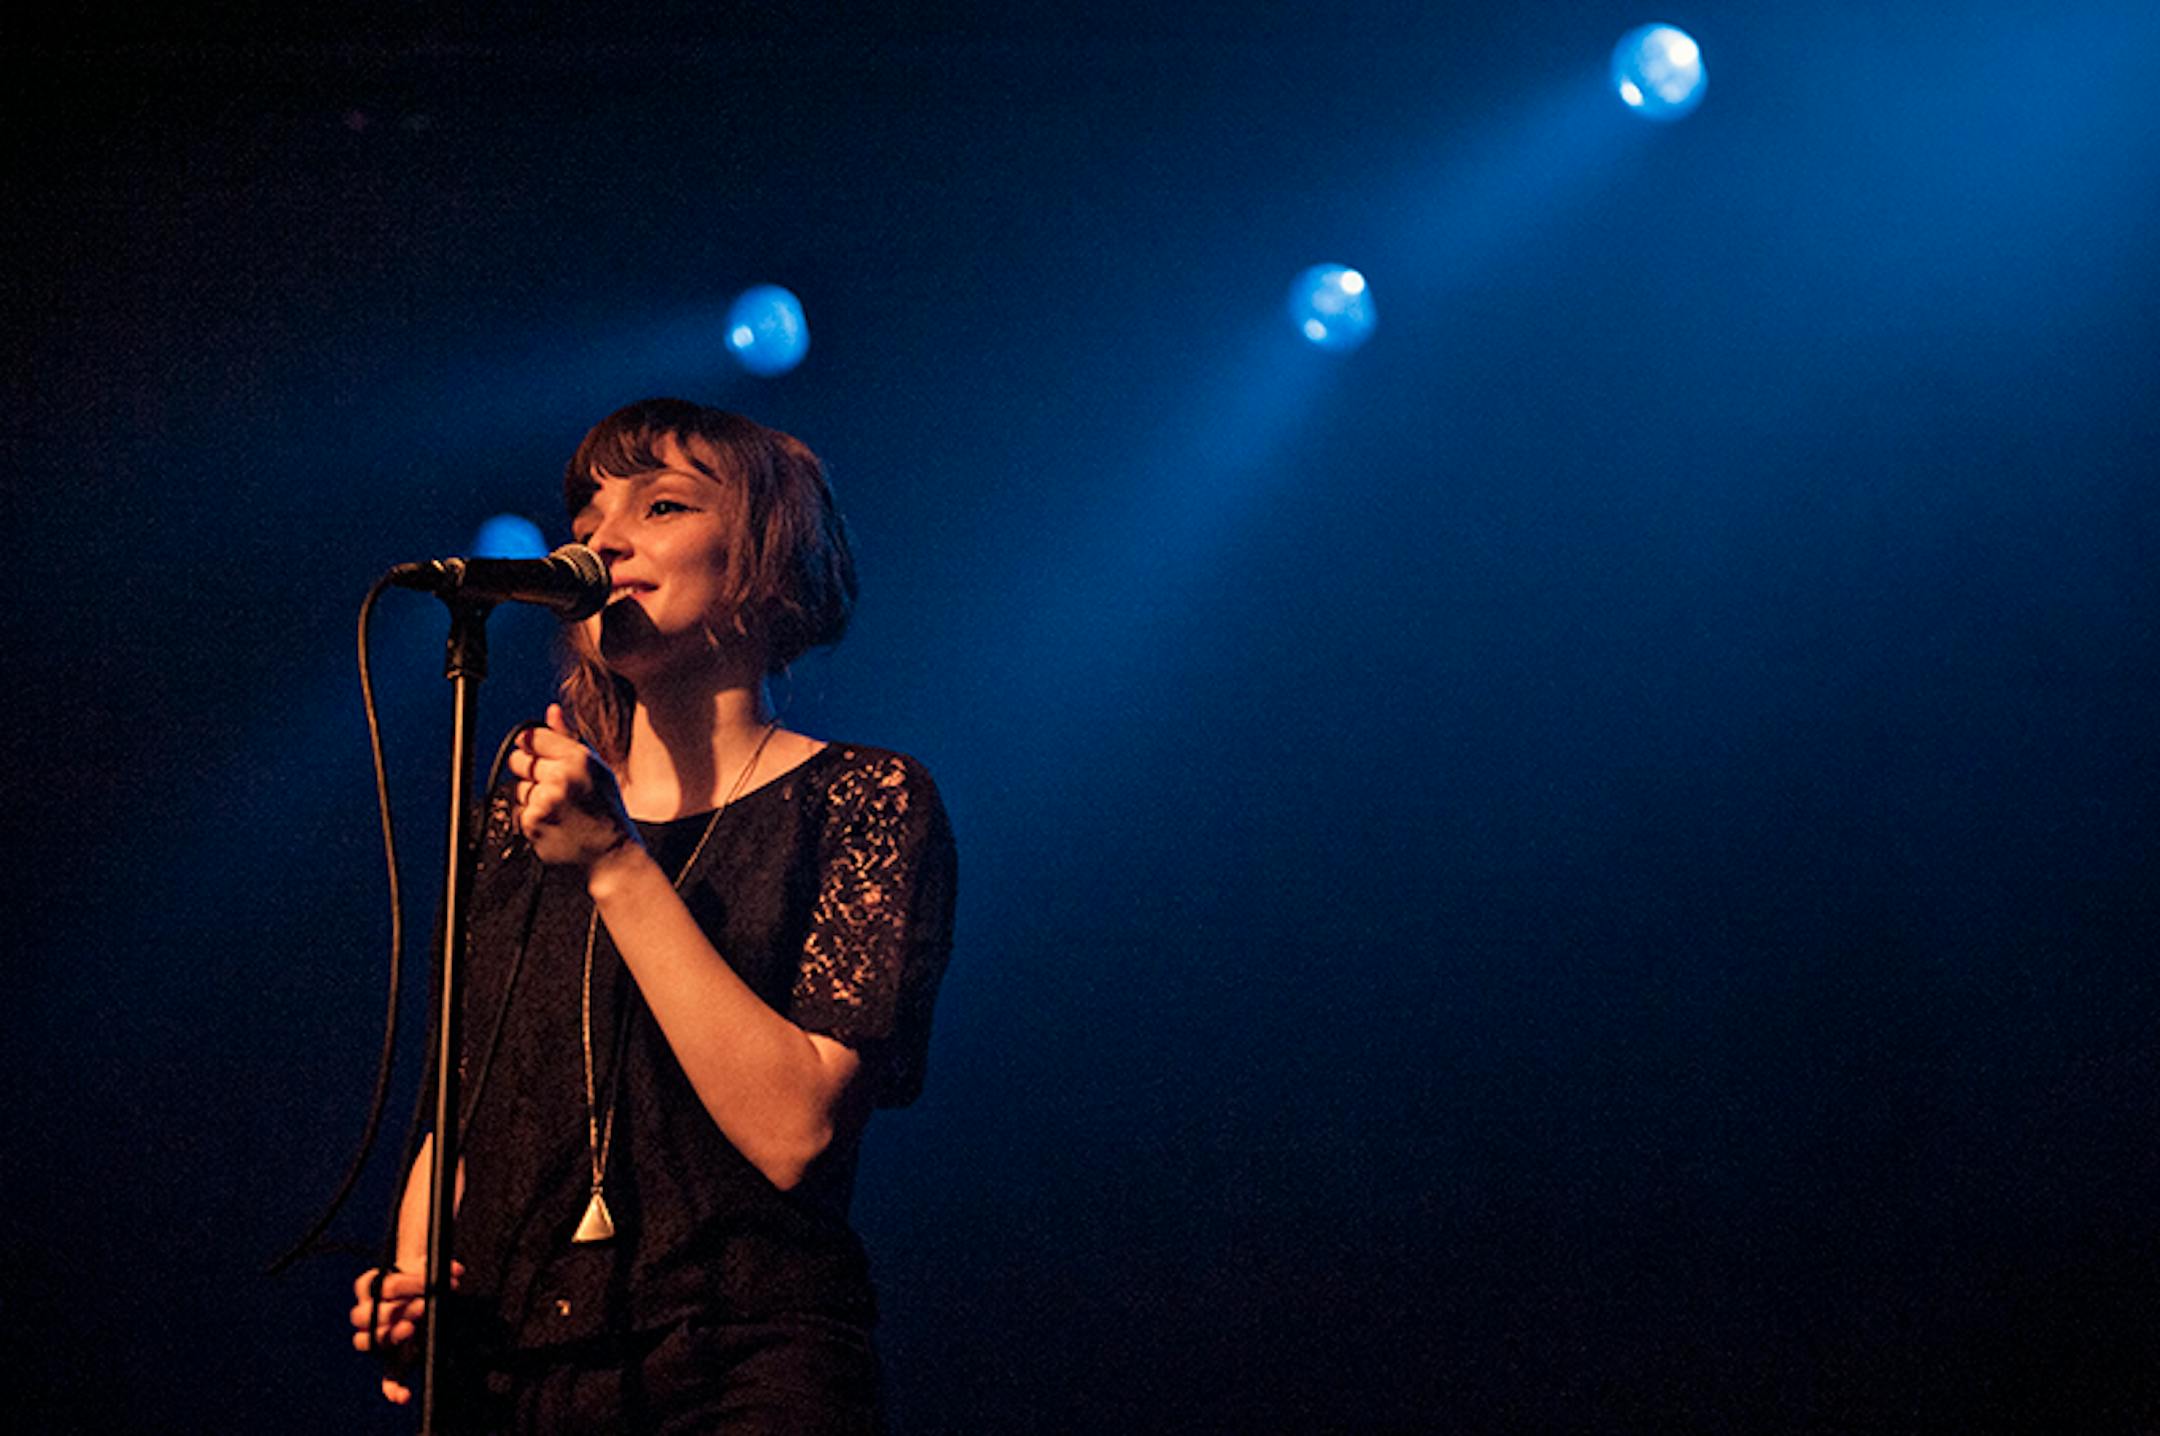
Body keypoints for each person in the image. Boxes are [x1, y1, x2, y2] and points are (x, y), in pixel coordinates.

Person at [349, 399, 957, 1433]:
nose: (601, 536)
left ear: (769, 560)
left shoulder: (865, 797)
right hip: (517, 1381)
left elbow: (795, 1128)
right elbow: (465, 1098)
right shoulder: (525, 805)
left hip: (738, 1369)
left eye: (661, 504)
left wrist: (616, 863)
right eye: (586, 514)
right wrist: (416, 1280)